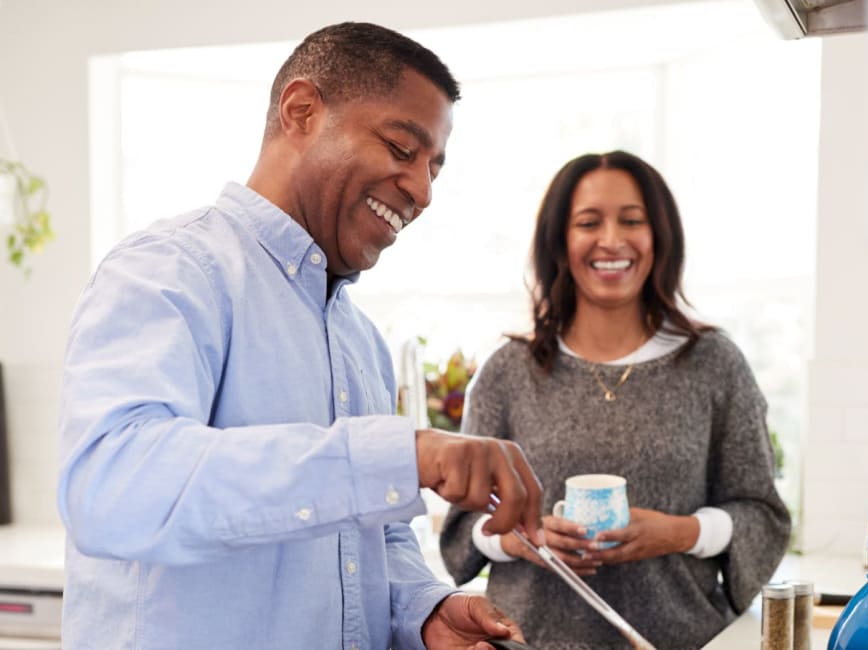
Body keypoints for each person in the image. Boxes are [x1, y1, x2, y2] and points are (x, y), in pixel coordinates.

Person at [57, 22, 543, 650]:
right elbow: (113, 487)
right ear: (302, 111)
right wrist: (404, 454)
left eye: (433, 170)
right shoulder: (169, 272)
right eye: (401, 148)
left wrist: (422, 610)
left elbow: (375, 542)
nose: (422, 191)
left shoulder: (360, 341)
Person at [439, 151, 791, 649]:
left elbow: (763, 515)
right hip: (530, 641)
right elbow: (462, 529)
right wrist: (528, 538)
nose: (611, 240)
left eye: (632, 220)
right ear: (561, 240)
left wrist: (681, 532)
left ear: (659, 238)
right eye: (588, 222)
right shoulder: (508, 371)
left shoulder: (715, 364)